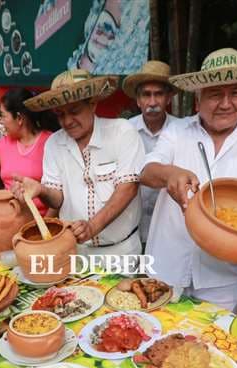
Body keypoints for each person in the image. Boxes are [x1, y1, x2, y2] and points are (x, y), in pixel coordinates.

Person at [141, 48, 237, 312]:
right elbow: (147, 171)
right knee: (155, 337)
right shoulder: (177, 131)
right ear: (198, 98)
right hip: (166, 264)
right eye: (215, 94)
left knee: (211, 346)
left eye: (236, 93)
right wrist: (170, 174)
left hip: (221, 278)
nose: (226, 103)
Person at [11, 69, 145, 257]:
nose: (67, 121)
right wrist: (41, 190)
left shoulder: (122, 132)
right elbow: (57, 198)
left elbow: (128, 188)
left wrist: (92, 226)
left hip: (121, 252)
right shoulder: (54, 144)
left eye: (74, 111)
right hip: (75, 251)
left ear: (92, 105)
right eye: (60, 114)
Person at [0, 87, 59, 216]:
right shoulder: (4, 144)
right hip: (11, 219)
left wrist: (45, 226)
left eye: (3, 116)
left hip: (44, 223)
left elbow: (60, 193)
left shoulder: (51, 142)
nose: (0, 121)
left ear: (19, 118)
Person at [122, 60, 181, 244]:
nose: (153, 102)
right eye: (146, 95)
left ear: (169, 98)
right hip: (131, 229)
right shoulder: (124, 131)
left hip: (170, 231)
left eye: (159, 94)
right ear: (138, 100)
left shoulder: (183, 131)